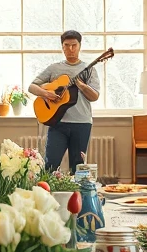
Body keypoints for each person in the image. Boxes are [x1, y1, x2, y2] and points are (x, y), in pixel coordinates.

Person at [29, 30, 101, 172]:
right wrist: (46, 94)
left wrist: (82, 86)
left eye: (74, 45)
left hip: (82, 123)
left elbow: (95, 96)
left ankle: (77, 195)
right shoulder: (54, 68)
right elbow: (32, 87)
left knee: (78, 168)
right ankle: (47, 194)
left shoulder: (89, 70)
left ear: (80, 46)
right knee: (50, 165)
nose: (70, 49)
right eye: (66, 45)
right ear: (62, 47)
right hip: (57, 123)